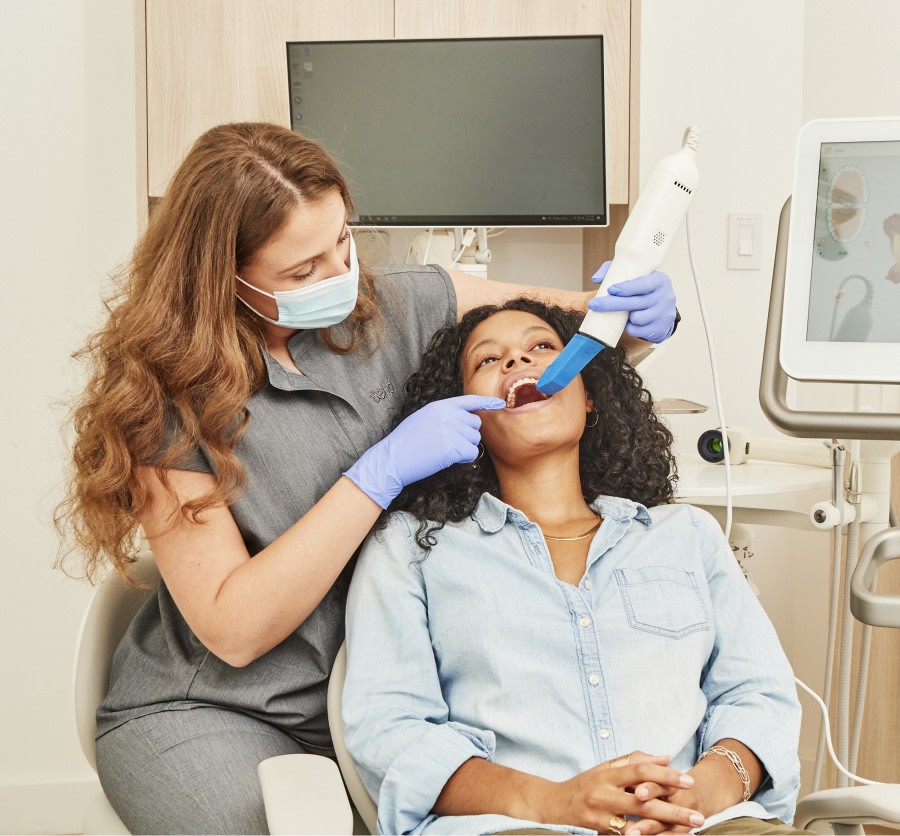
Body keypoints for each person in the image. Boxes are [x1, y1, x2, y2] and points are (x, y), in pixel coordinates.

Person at [55, 122, 679, 835]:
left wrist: (637, 322)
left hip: (400, 700)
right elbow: (233, 628)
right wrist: (374, 476)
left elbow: (560, 332)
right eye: (302, 272)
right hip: (229, 711)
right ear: (222, 276)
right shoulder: (163, 401)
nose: (340, 278)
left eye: (342, 244)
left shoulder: (404, 303)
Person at [342, 297, 806, 836]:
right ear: (461, 417)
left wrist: (696, 795)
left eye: (542, 347)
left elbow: (757, 695)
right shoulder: (412, 550)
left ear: (590, 398)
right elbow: (392, 731)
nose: (517, 361)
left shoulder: (687, 535)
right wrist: (554, 803)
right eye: (488, 361)